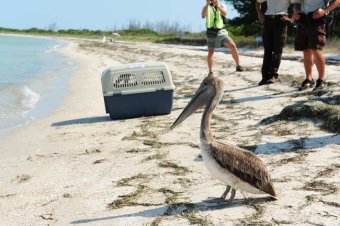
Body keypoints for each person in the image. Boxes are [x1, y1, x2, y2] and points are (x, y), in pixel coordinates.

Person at [293, 0, 340, 91]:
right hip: (303, 18)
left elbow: (337, 0)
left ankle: (321, 80)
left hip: (317, 19)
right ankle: (309, 79)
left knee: (316, 49)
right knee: (306, 50)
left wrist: (324, 11)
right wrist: (296, 11)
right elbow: (297, 2)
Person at [256, 0, 300, 86]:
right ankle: (264, 77)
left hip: (282, 20)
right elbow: (258, 2)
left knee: (277, 49)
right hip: (268, 20)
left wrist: (291, 18)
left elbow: (297, 3)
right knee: (267, 49)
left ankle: (273, 76)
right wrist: (260, 14)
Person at [202, 0, 244, 73]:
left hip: (221, 31)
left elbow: (224, 14)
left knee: (233, 46)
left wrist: (218, 6)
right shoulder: (206, 7)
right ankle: (210, 71)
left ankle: (238, 65)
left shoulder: (222, 5)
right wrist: (207, 5)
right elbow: (203, 15)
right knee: (211, 51)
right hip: (211, 32)